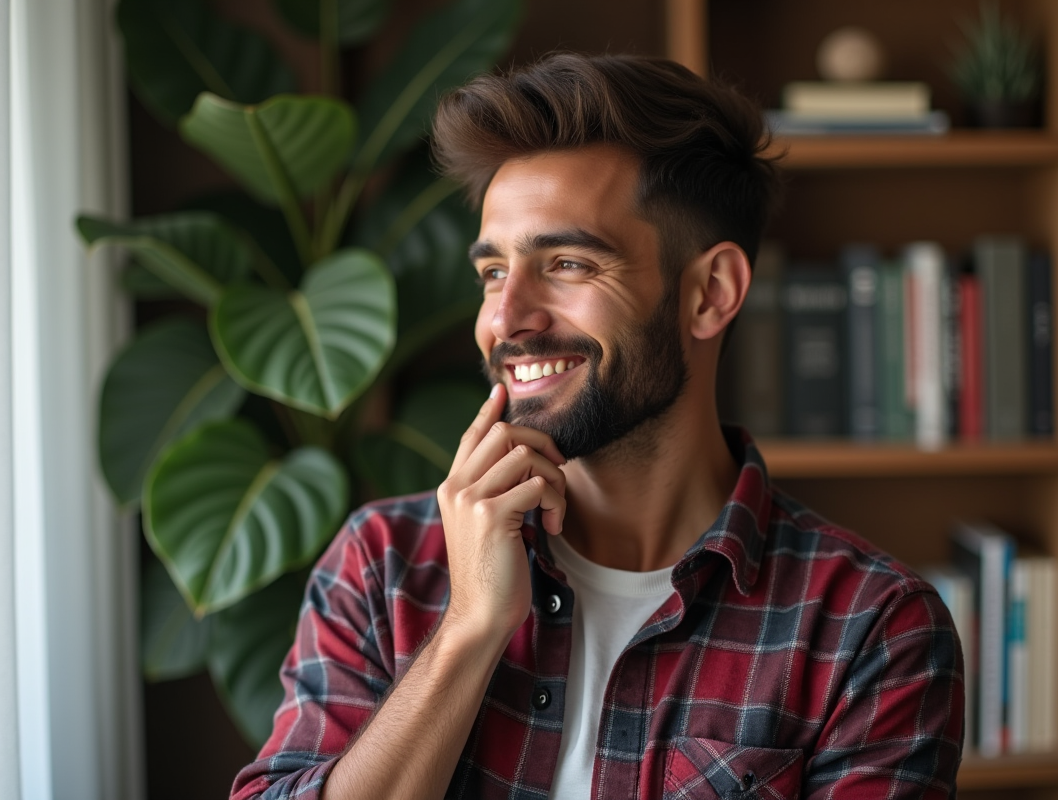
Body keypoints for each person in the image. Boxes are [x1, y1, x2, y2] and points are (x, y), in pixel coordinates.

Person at [230, 53, 963, 800]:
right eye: (492, 272)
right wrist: (469, 631)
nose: (504, 320)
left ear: (710, 293)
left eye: (569, 264)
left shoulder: (871, 631)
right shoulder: (383, 565)